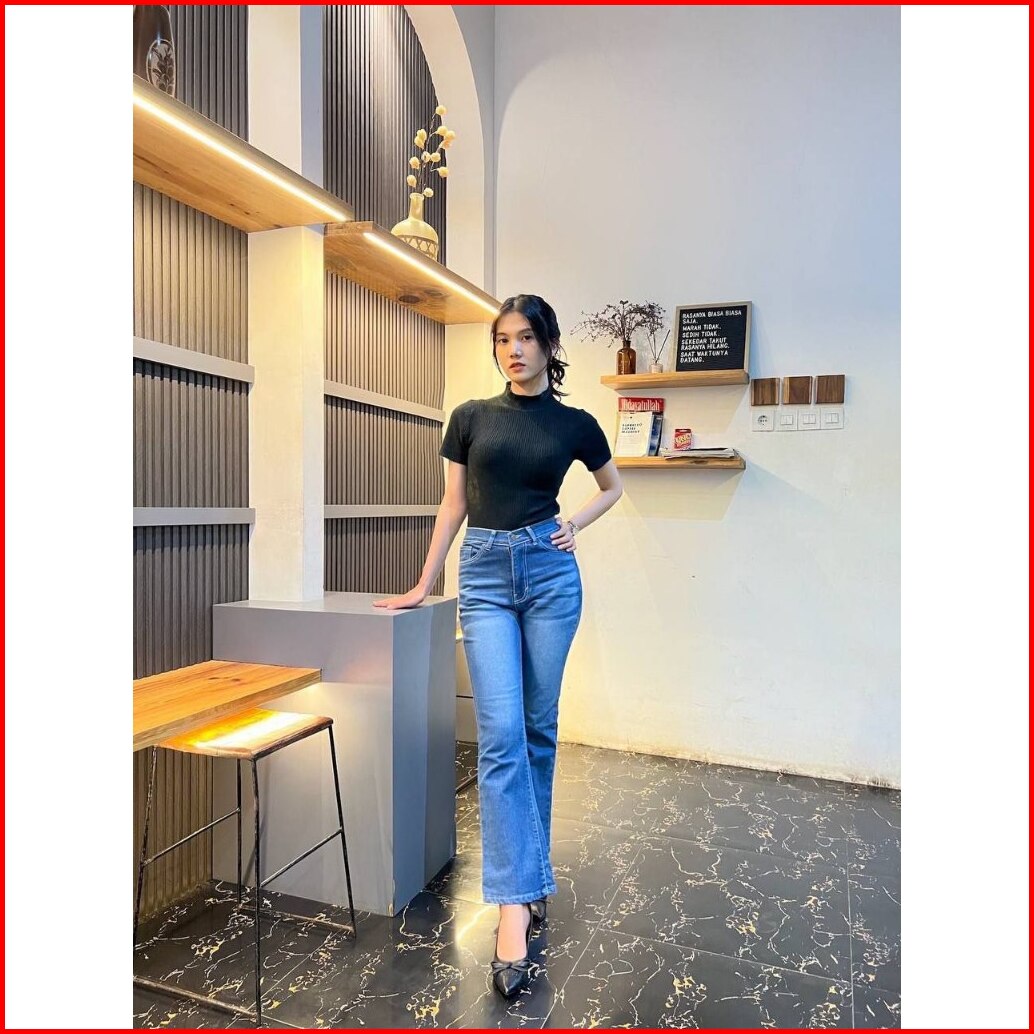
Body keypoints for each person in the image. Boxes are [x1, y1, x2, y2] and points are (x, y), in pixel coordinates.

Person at [374, 294, 623, 997]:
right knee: (503, 736)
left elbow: (612, 487)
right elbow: (454, 503)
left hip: (550, 576)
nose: (513, 350)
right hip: (483, 575)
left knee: (538, 732)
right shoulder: (470, 417)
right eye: (503, 339)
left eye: (526, 338)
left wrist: (575, 523)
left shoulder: (575, 423)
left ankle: (529, 883)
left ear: (549, 345)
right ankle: (515, 904)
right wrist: (425, 580)